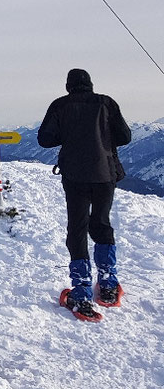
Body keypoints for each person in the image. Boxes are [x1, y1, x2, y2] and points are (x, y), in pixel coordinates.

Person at [37, 68, 131, 321]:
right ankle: (109, 284)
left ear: (68, 85)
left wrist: (69, 134)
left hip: (75, 175)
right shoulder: (106, 103)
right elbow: (125, 136)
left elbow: (44, 139)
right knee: (101, 223)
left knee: (77, 228)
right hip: (105, 174)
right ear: (90, 84)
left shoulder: (60, 105)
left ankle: (80, 291)